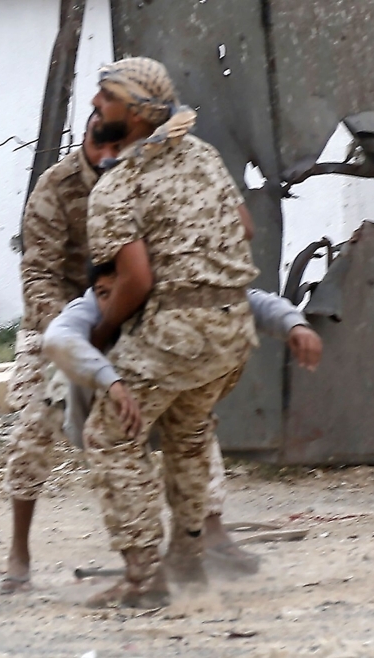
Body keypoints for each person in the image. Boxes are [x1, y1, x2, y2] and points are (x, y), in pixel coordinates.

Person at [82, 56, 260, 608]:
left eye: (104, 98)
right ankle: (189, 558)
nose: (94, 105)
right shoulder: (205, 156)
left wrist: (105, 333)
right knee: (186, 435)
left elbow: (134, 279)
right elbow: (246, 226)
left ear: (134, 115)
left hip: (174, 332)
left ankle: (143, 578)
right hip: (233, 329)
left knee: (109, 435)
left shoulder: (120, 185)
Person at [43, 260, 322, 574]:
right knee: (121, 463)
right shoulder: (90, 312)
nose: (111, 301)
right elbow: (60, 342)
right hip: (101, 405)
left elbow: (249, 301)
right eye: (103, 293)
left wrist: (292, 324)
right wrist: (109, 381)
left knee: (196, 436)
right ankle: (144, 564)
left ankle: (206, 537)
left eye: (119, 291)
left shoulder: (168, 306)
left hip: (157, 395)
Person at [1, 112, 125, 593]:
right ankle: (19, 551)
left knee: (187, 416)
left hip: (124, 310)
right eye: (100, 139)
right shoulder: (56, 188)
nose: (108, 153)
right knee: (34, 429)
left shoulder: (144, 182)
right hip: (57, 319)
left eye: (119, 141)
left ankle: (207, 533)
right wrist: (69, 334)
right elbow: (39, 275)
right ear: (86, 137)